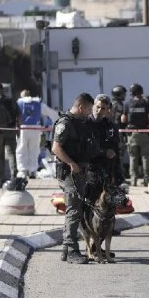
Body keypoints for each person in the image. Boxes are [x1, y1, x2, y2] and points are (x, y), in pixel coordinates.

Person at [51, 93, 97, 264]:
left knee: (76, 208)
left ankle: (66, 249)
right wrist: (72, 163)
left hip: (79, 172)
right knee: (74, 209)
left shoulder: (79, 123)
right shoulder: (66, 123)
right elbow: (56, 148)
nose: (89, 113)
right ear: (81, 107)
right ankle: (71, 250)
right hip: (70, 173)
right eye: (89, 110)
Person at [16, 89, 59, 179]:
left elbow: (15, 115)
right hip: (35, 128)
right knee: (34, 149)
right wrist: (57, 122)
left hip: (23, 128)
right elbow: (52, 113)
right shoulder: (38, 103)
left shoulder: (19, 103)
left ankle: (22, 170)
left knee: (21, 150)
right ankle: (33, 170)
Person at [126, 83, 149, 186]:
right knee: (145, 157)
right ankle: (147, 180)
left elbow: (123, 119)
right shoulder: (146, 104)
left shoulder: (128, 104)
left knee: (133, 157)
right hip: (144, 133)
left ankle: (133, 180)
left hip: (132, 135)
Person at [0, 82, 20, 186]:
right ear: (2, 90)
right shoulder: (11, 101)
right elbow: (19, 115)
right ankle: (14, 177)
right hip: (11, 130)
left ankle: (1, 179)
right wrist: (18, 129)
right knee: (12, 154)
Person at [111, 85, 129, 178]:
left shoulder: (111, 104)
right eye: (123, 94)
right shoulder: (118, 106)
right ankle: (119, 176)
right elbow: (119, 121)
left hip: (114, 133)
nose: (124, 96)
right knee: (119, 156)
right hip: (118, 134)